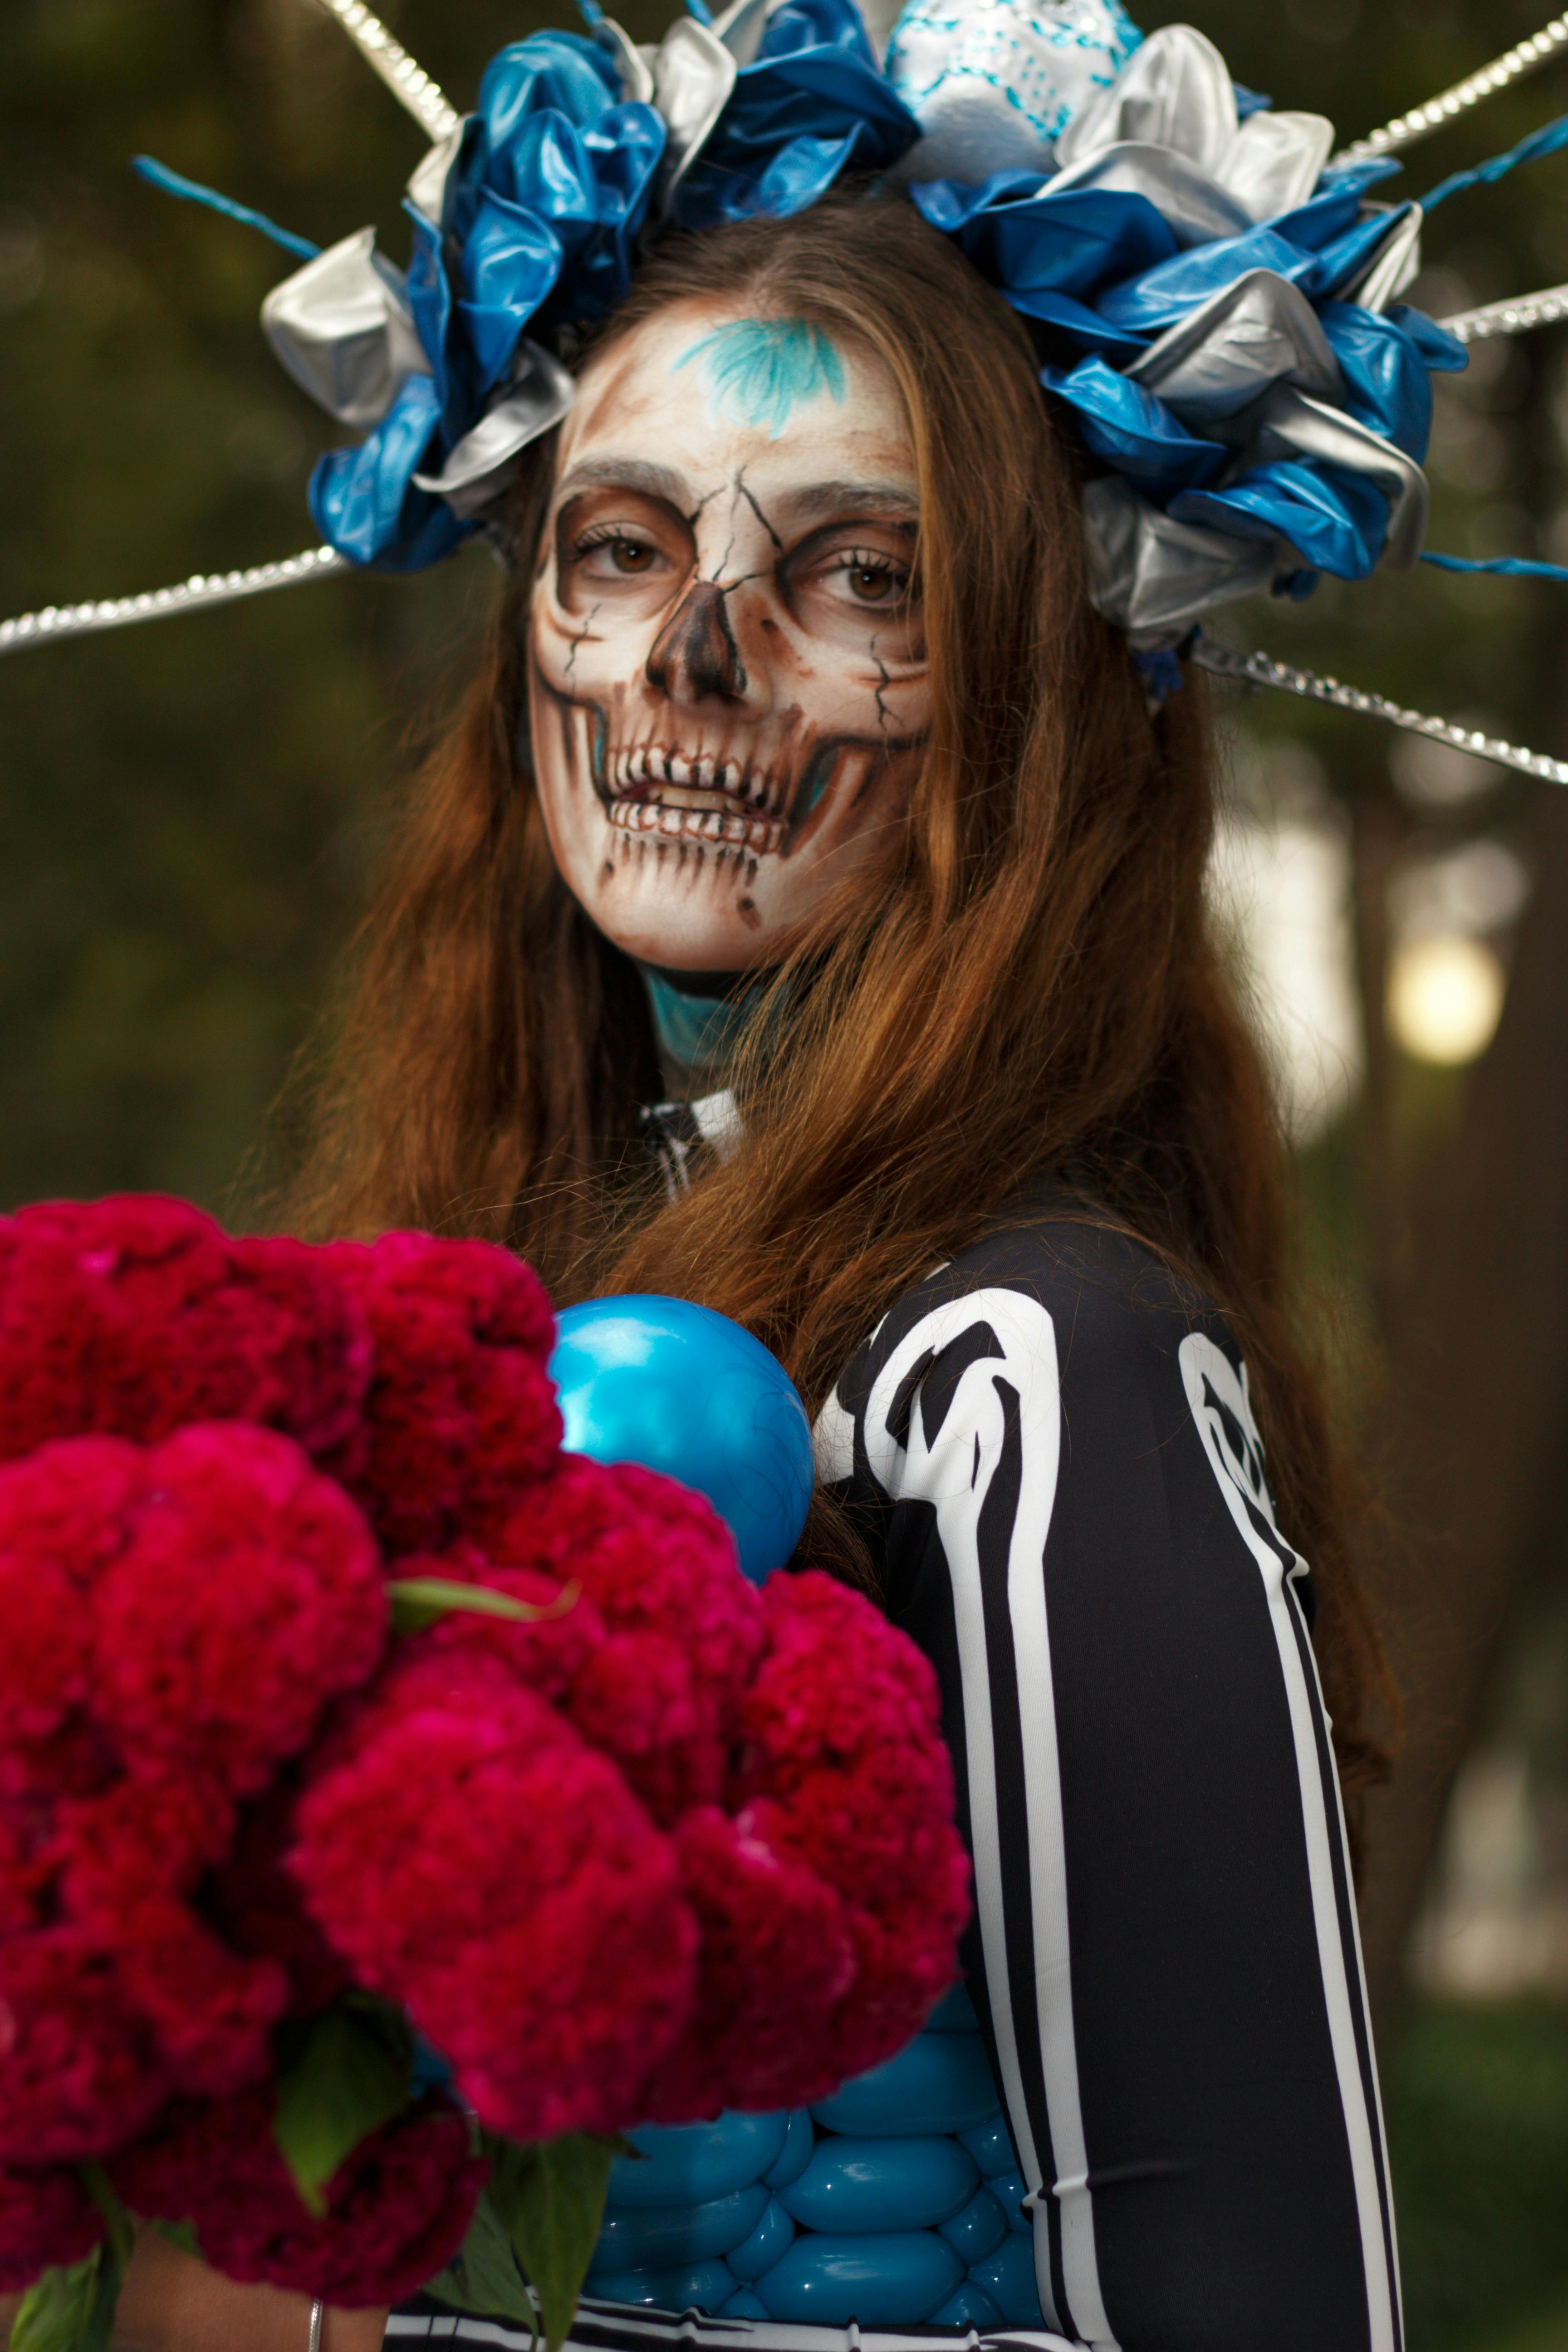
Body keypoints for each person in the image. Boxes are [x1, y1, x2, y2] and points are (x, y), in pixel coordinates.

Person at [10, 138, 1401, 2352]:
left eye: (862, 579)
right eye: (625, 548)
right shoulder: (464, 1333)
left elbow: (1260, 2297)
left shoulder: (1034, 1378)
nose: (698, 661)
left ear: (1039, 696)